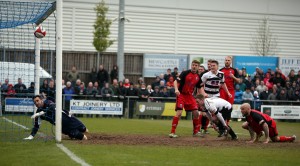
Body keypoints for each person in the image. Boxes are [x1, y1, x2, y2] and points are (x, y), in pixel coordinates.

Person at [24, 95, 88, 140]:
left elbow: (52, 107)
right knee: (83, 137)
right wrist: (31, 136)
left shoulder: (48, 102)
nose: (36, 103)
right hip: (63, 127)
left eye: (37, 101)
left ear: (41, 100)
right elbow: (36, 126)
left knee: (85, 130)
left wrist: (41, 113)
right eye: (35, 102)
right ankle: (74, 135)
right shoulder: (38, 114)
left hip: (69, 119)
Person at [169, 60, 201, 138]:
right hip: (181, 94)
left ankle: (195, 132)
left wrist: (200, 97)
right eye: (193, 65)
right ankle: (172, 132)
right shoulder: (185, 73)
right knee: (179, 113)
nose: (194, 66)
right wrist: (176, 90)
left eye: (196, 65)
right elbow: (175, 81)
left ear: (198, 67)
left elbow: (199, 88)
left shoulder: (198, 77)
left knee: (196, 113)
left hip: (190, 96)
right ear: (191, 65)